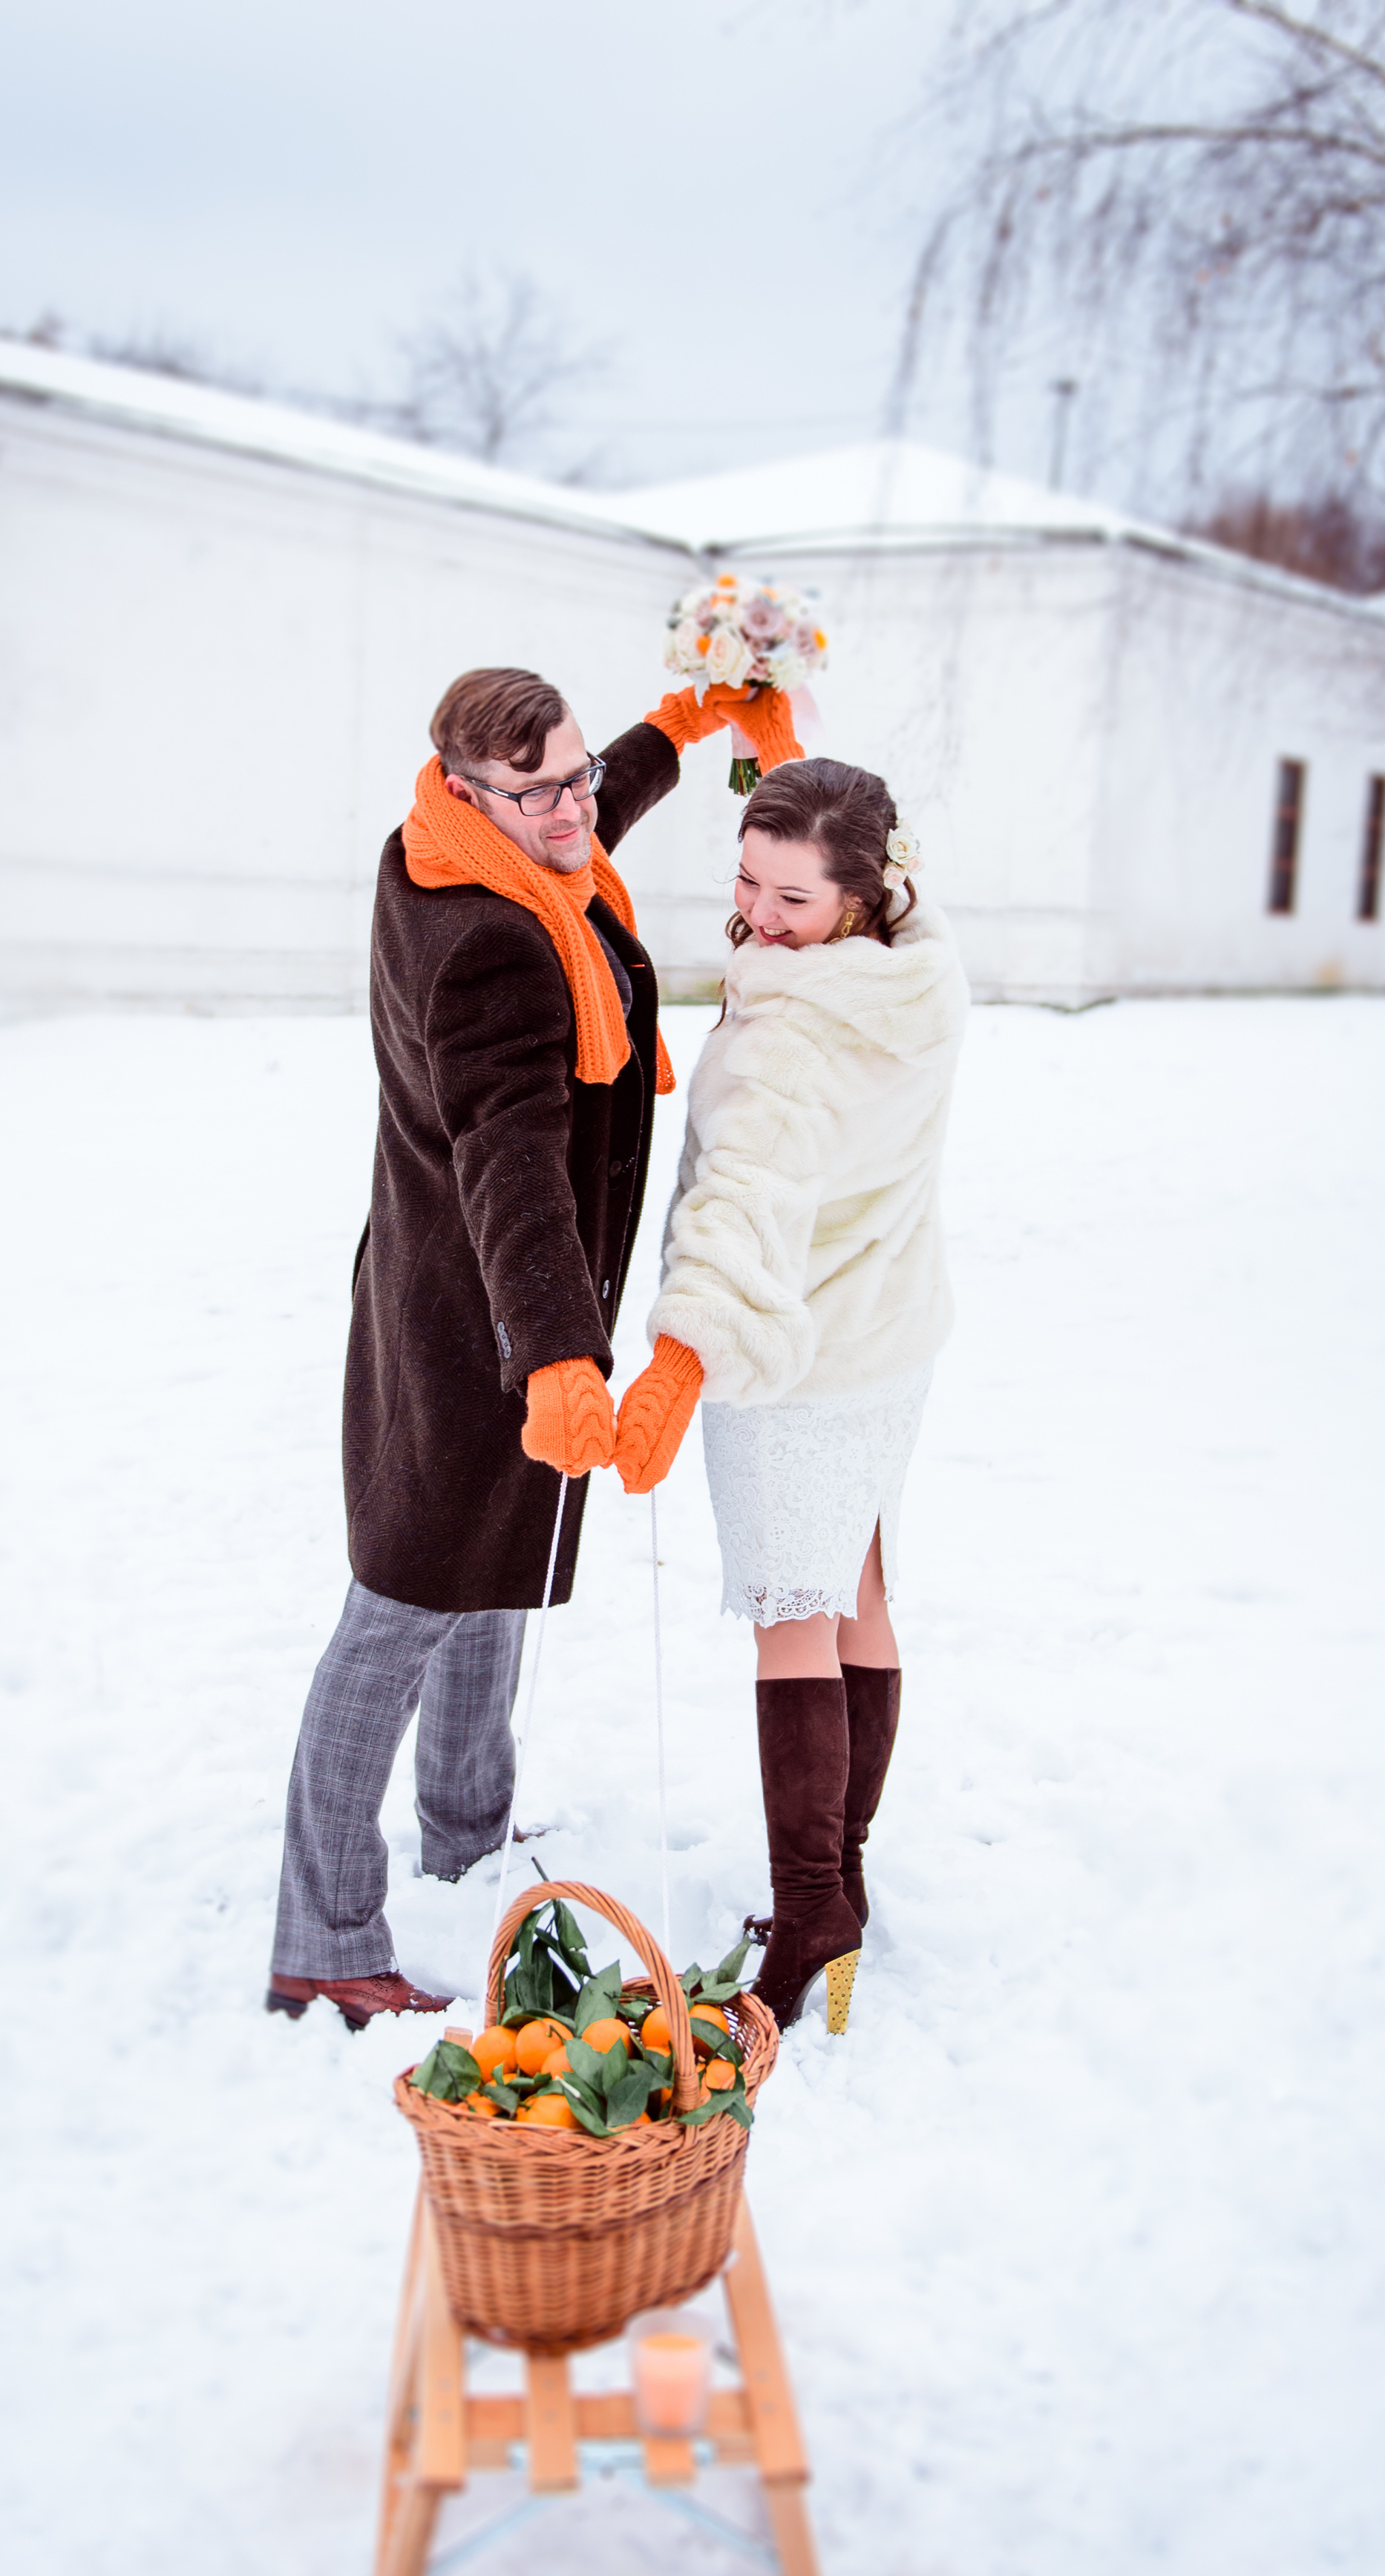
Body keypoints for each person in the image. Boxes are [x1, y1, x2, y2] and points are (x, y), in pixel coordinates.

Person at [267, 663, 798, 2027]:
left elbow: (593, 798)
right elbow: (511, 1158)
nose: (574, 807)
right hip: (480, 1310)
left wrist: (676, 731)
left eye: (576, 774)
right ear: (467, 791)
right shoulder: (493, 942)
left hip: (464, 1290)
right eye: (540, 790)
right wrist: (557, 1354)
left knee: (495, 1571)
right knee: (400, 1609)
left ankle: (465, 1833)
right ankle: (324, 1937)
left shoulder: (461, 840)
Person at [611, 758, 968, 2033]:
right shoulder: (916, 974)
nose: (761, 915)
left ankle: (811, 1900)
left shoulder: (791, 1040)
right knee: (859, 1586)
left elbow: (743, 1200)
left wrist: (682, 1353)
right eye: (748, 882)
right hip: (888, 1338)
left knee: (790, 1617)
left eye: (794, 898)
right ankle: (846, 1882)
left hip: (797, 1359)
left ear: (863, 892)